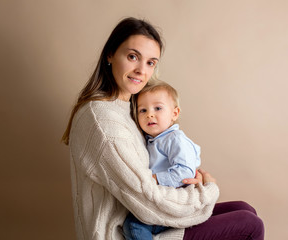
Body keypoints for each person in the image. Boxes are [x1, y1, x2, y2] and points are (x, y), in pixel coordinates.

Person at [62, 17, 264, 240]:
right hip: (130, 232)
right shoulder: (103, 121)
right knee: (249, 224)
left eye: (150, 62)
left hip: (148, 222)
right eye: (132, 57)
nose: (141, 70)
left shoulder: (130, 109)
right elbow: (148, 199)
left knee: (244, 208)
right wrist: (207, 191)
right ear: (110, 54)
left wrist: (186, 181)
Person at [123, 80, 203, 239]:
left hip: (176, 203)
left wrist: (153, 178)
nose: (149, 114)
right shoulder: (153, 140)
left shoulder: (175, 139)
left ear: (174, 113)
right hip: (161, 200)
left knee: (134, 224)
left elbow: (185, 173)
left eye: (158, 108)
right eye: (143, 110)